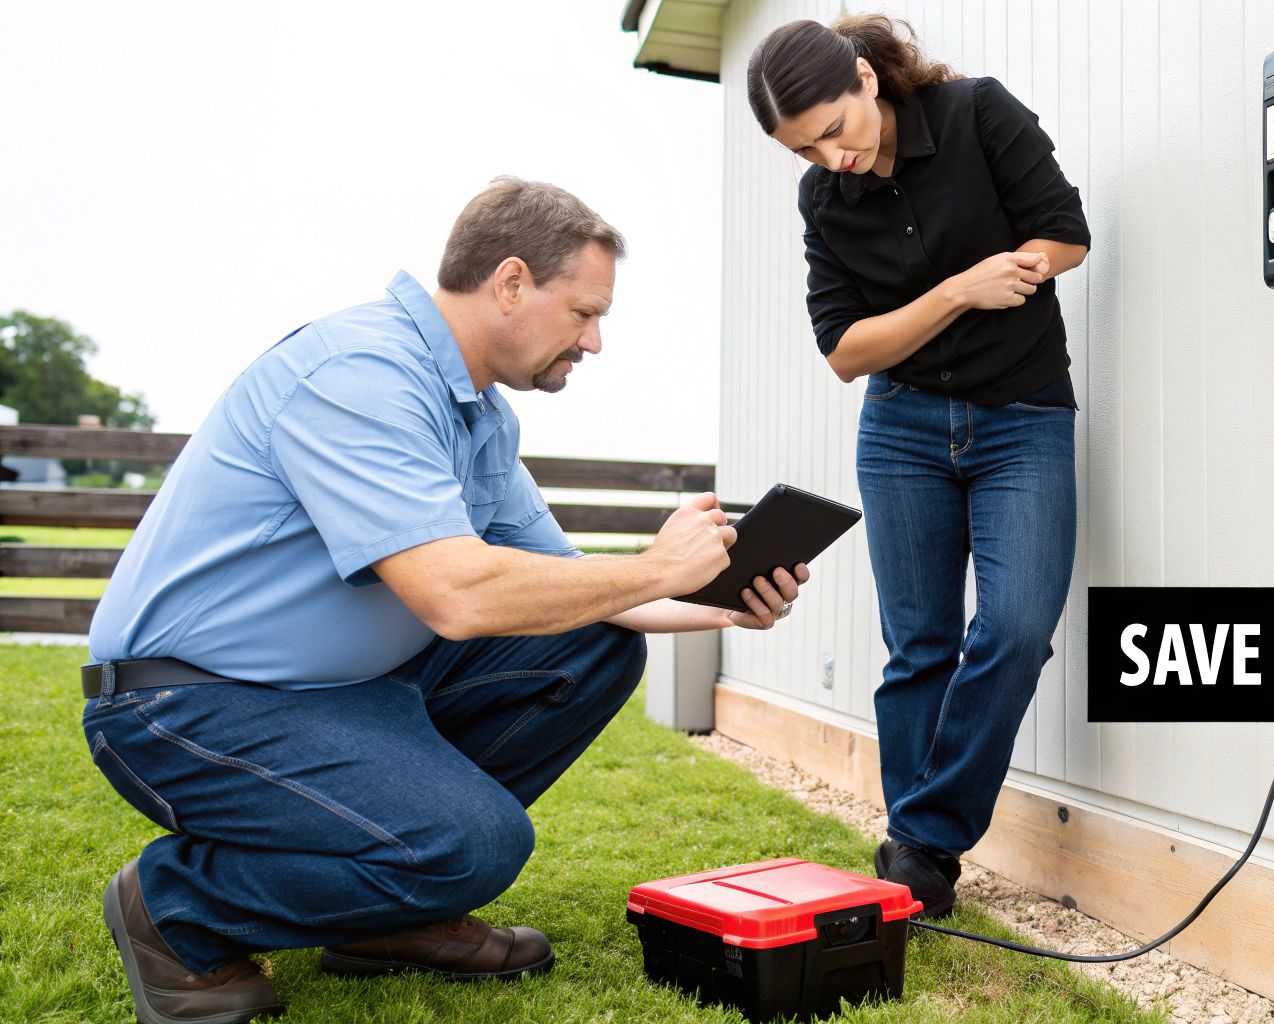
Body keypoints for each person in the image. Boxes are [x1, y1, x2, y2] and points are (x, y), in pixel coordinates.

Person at [82, 176, 810, 1024]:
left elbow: (584, 593)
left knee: (593, 647)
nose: (597, 341)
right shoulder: (362, 374)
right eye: (583, 312)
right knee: (474, 845)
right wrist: (654, 566)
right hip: (181, 705)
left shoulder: (481, 418)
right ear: (510, 283)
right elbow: (456, 597)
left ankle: (392, 920)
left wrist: (719, 598)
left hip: (335, 699)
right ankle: (173, 908)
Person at [746, 16, 1089, 919]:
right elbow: (848, 350)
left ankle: (921, 838)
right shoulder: (824, 202)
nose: (830, 157)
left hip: (1024, 418)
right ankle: (917, 877)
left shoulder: (977, 115)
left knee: (1015, 627)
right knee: (920, 647)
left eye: (835, 128)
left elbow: (1065, 235)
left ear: (867, 80)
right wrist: (957, 291)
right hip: (900, 432)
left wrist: (1016, 267)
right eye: (804, 149)